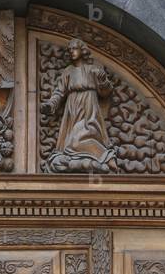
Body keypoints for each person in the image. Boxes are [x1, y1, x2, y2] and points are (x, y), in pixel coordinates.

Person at [43, 38, 117, 173]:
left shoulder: (93, 70)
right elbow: (59, 92)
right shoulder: (68, 71)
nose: (72, 52)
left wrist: (103, 81)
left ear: (82, 51)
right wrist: (51, 104)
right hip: (72, 109)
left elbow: (105, 92)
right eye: (69, 50)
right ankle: (94, 161)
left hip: (89, 107)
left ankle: (105, 157)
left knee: (82, 136)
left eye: (74, 49)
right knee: (72, 140)